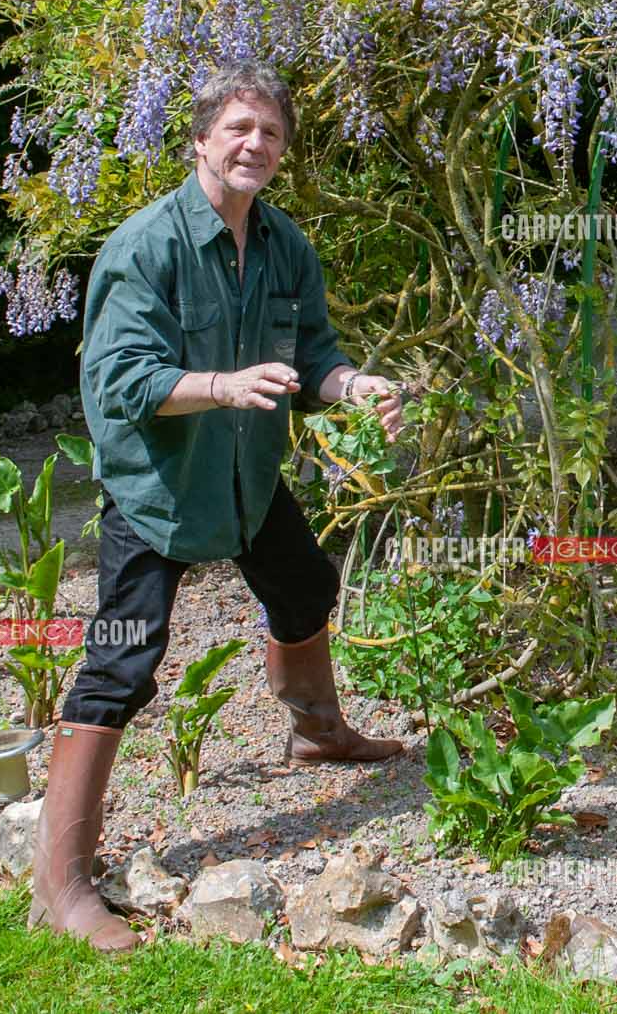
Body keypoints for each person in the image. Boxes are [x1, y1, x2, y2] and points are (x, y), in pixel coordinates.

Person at [27, 58, 408, 952]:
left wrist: (354, 387)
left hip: (246, 476)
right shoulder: (146, 247)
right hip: (160, 488)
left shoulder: (284, 246)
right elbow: (121, 382)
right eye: (239, 128)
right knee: (124, 660)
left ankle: (318, 733)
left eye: (271, 133)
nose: (256, 144)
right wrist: (219, 385)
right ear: (201, 140)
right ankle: (62, 884)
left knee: (307, 586)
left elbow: (313, 357)